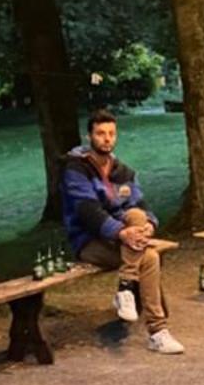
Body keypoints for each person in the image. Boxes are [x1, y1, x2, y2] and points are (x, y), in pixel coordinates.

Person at [60, 109, 184, 353]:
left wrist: (149, 224)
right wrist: (121, 232)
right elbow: (87, 211)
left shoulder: (123, 171)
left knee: (138, 219)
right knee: (148, 257)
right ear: (89, 137)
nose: (106, 138)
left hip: (124, 241)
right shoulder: (75, 169)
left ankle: (128, 289)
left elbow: (140, 204)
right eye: (100, 133)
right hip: (89, 240)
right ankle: (157, 329)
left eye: (111, 134)